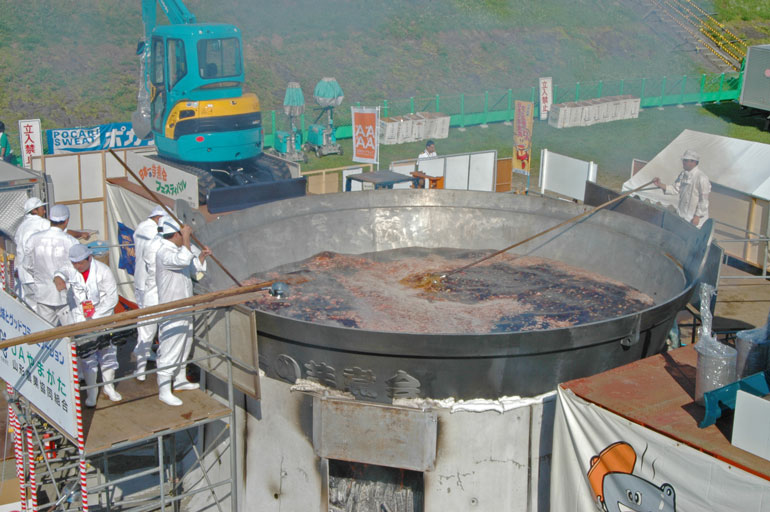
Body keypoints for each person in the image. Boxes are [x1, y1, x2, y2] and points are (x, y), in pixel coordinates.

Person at [53, 244, 121, 407]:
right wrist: (58, 279)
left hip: (103, 318)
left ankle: (109, 387)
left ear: (89, 258)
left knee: (108, 354)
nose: (77, 266)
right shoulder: (72, 269)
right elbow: (60, 272)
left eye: (80, 263)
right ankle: (92, 392)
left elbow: (112, 299)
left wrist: (95, 318)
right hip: (81, 320)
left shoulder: (103, 271)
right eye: (74, 263)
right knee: (87, 357)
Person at [155, 216, 211, 406]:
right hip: (172, 308)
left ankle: (179, 379)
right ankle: (164, 390)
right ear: (175, 235)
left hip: (185, 305)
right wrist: (187, 238)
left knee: (184, 344)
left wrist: (202, 257)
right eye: (182, 233)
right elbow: (182, 260)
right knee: (170, 348)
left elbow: (194, 271)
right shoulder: (164, 252)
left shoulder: (179, 250)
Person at [23, 204, 78, 325]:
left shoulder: (33, 239)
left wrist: (41, 276)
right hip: (66, 295)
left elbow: (27, 265)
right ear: (67, 220)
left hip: (43, 294)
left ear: (49, 218)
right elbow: (76, 268)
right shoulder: (71, 241)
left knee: (46, 334)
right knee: (72, 333)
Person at [132, 205, 166, 380]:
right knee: (150, 327)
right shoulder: (153, 233)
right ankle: (145, 366)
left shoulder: (140, 227)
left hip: (142, 282)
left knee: (145, 327)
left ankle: (142, 365)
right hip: (150, 286)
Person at [652, 149, 711, 228]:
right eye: (683, 160)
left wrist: (697, 216)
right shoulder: (683, 174)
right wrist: (659, 184)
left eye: (686, 160)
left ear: (694, 162)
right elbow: (675, 189)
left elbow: (704, 200)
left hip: (695, 221)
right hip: (682, 215)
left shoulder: (702, 178)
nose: (683, 162)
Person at [14, 197, 49, 308]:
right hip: (36, 275)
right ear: (34, 211)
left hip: (24, 277)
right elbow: (59, 231)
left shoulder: (21, 227)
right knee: (45, 307)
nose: (44, 211)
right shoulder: (41, 223)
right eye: (42, 208)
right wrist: (81, 234)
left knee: (31, 307)